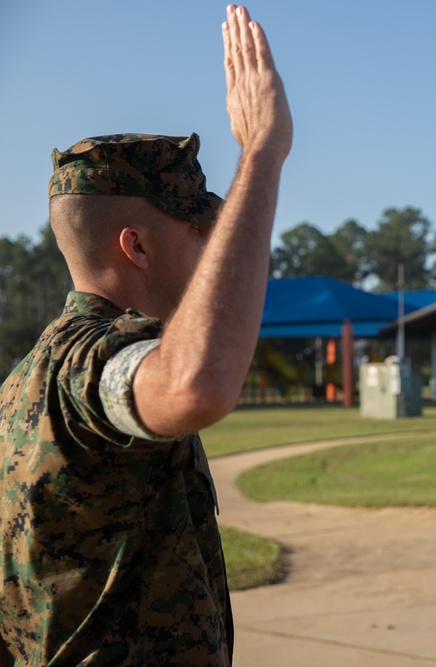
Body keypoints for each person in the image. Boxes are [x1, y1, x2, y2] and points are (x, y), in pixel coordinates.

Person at [0, 5, 292, 665]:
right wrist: (262, 153)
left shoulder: (20, 385)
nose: (215, 251)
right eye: (199, 234)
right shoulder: (87, 362)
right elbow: (195, 384)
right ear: (135, 246)